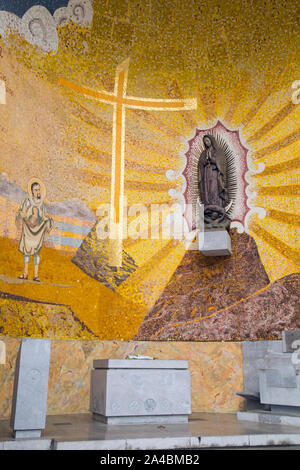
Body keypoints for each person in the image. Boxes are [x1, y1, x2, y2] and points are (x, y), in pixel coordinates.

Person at [16, 181, 53, 282]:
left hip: (38, 232)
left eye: (38, 189)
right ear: (32, 191)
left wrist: (46, 220)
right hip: (28, 230)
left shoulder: (42, 204)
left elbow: (44, 216)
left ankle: (36, 275)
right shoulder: (27, 201)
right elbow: (21, 211)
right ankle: (25, 273)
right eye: (35, 190)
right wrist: (23, 216)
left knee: (37, 252)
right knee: (26, 252)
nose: (37, 191)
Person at [197, 134, 231, 229]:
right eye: (205, 142)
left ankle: (217, 206)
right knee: (207, 190)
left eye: (208, 141)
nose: (207, 143)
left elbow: (222, 163)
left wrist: (213, 161)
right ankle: (208, 206)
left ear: (211, 141)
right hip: (206, 175)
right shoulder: (203, 153)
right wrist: (204, 162)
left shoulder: (218, 152)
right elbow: (200, 165)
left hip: (215, 174)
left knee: (214, 189)